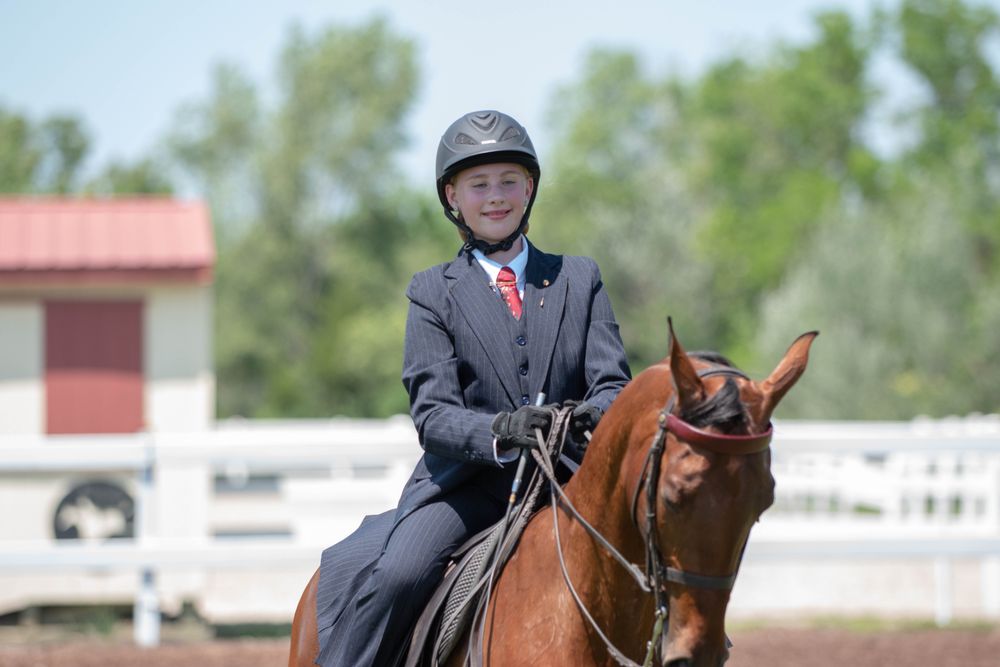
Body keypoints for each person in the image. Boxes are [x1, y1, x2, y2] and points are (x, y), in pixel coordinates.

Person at [313, 110, 631, 666]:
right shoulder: (432, 292)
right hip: (468, 487)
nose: (496, 196)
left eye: (509, 181)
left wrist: (579, 418)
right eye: (479, 185)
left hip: (569, 477)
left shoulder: (580, 278)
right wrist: (500, 431)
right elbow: (433, 414)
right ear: (453, 198)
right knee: (398, 573)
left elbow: (613, 386)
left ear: (529, 187)